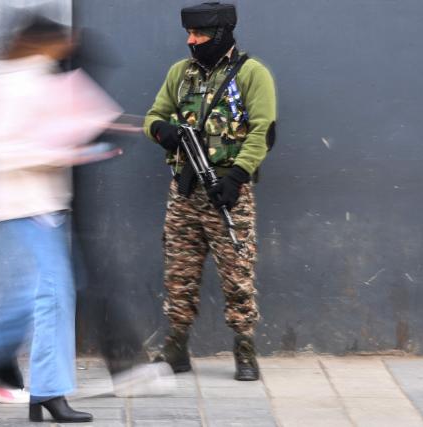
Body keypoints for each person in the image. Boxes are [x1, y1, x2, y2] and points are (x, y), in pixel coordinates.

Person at [0, 15, 121, 422]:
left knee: (28, 298)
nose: (61, 55)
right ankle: (44, 391)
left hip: (40, 208)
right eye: (56, 47)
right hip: (18, 207)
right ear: (40, 44)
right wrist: (54, 153)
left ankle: (13, 382)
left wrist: (84, 143)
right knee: (49, 295)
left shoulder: (30, 78)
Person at [143, 2, 277, 381]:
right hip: (185, 190)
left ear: (220, 35)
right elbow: (154, 115)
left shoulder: (252, 74)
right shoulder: (180, 74)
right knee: (178, 272)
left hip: (228, 191)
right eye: (189, 34)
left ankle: (244, 347)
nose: (191, 41)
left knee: (237, 271)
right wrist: (160, 131)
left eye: (199, 35)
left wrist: (236, 177)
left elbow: (263, 130)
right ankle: (176, 346)